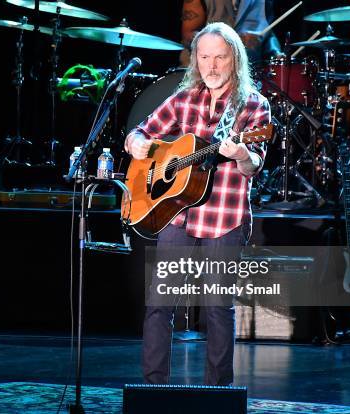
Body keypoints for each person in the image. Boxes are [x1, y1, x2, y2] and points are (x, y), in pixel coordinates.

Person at [125, 22, 270, 385]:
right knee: (159, 307)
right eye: (204, 57)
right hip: (177, 217)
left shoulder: (254, 105)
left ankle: (218, 394)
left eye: (220, 57)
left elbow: (254, 165)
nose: (211, 66)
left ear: (234, 60)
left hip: (225, 216)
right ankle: (153, 389)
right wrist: (135, 143)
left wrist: (240, 154)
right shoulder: (183, 98)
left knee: (218, 309)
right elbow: (141, 131)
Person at [180, 0, 283, 66]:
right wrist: (232, 40)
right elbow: (188, 35)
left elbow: (267, 30)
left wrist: (275, 53)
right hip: (205, 70)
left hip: (249, 71)